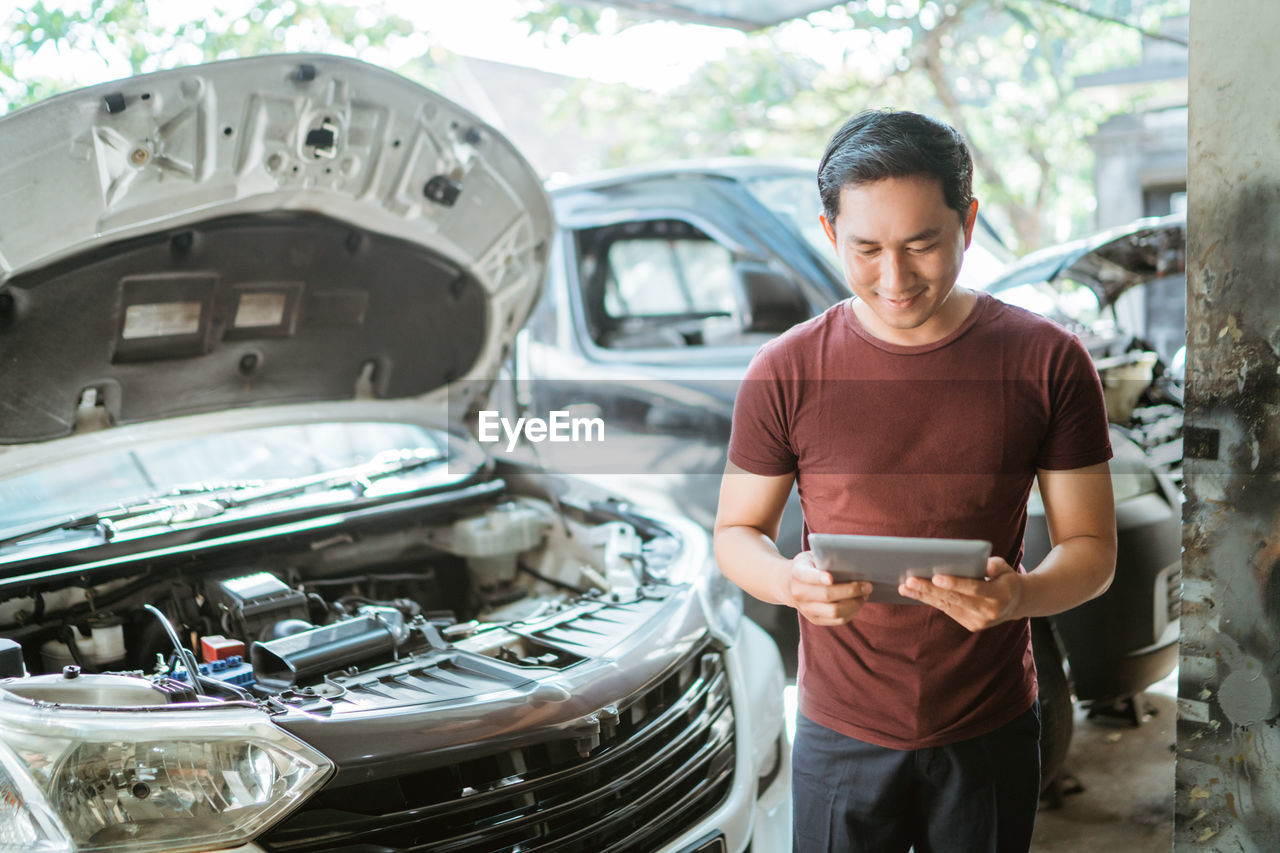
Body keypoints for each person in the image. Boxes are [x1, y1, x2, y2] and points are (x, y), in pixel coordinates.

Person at [712, 109, 1117, 852]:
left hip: (988, 723)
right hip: (840, 730)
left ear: (967, 220)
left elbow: (1092, 549)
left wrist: (1019, 596)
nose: (894, 280)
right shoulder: (785, 369)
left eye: (923, 244)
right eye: (865, 249)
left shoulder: (1049, 362)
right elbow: (736, 534)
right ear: (831, 234)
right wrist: (785, 581)